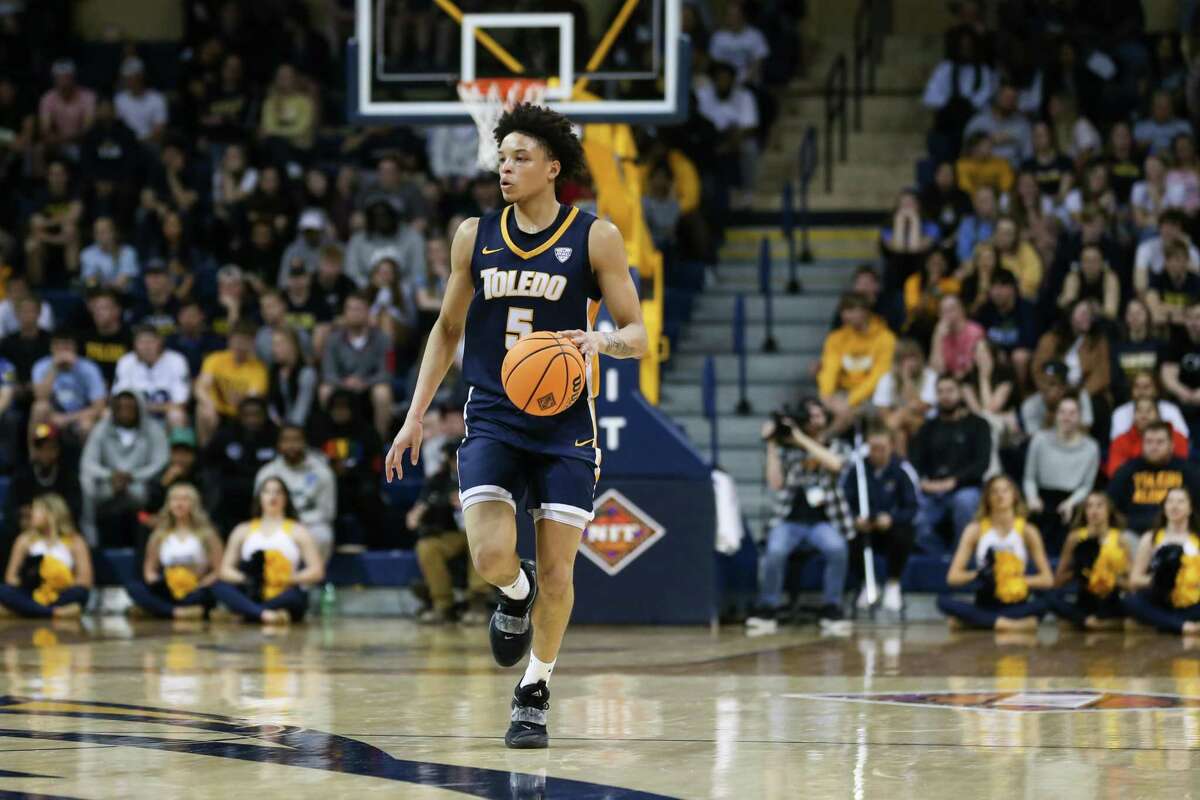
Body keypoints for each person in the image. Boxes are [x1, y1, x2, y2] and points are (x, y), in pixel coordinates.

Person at [383, 104, 648, 749]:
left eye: (521, 157)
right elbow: (447, 330)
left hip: (563, 423)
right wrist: (414, 417)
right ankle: (513, 591)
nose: (506, 167)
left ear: (553, 167)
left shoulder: (596, 237)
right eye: (501, 158)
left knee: (562, 571)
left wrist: (597, 342)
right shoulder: (474, 235)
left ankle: (535, 688)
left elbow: (638, 334)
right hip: (495, 413)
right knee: (490, 554)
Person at [745, 399, 853, 633]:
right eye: (809, 416)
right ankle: (768, 608)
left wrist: (800, 439)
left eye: (818, 415)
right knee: (774, 551)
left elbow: (835, 464)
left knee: (837, 549)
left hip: (824, 520)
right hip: (790, 520)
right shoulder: (788, 449)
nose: (814, 420)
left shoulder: (837, 445)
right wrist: (772, 444)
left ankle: (831, 608)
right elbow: (775, 484)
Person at [936, 476, 1054, 631]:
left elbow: (1047, 579)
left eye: (1005, 490)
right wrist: (979, 575)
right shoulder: (974, 530)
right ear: (987, 498)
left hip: (1017, 602)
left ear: (1014, 495)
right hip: (986, 602)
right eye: (994, 491)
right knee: (942, 601)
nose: (1000, 495)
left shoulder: (1028, 531)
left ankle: (978, 623)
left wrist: (1016, 579)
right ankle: (1007, 624)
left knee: (1049, 601)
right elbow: (952, 577)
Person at [212, 477, 325, 625]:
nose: (273, 496)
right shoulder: (242, 530)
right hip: (253, 590)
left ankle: (249, 613)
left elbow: (317, 571)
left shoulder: (298, 531)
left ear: (286, 498)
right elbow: (225, 570)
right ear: (260, 498)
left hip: (283, 591)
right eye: (267, 492)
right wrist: (247, 579)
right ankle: (264, 614)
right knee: (219, 587)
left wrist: (287, 579)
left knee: (296, 597)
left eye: (278, 492)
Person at [841, 425, 920, 615]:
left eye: (882, 448)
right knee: (849, 535)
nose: (877, 453)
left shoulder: (902, 470)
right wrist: (854, 519)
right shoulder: (857, 470)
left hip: (890, 528)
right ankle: (866, 584)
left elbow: (911, 507)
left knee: (904, 532)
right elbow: (844, 501)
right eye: (873, 448)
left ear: (891, 446)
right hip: (865, 527)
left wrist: (891, 518)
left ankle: (893, 584)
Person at [911, 374, 992, 555]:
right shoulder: (927, 428)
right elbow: (915, 462)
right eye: (940, 392)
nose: (945, 396)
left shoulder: (978, 425)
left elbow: (981, 464)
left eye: (950, 391)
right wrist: (924, 482)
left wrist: (954, 482)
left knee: (965, 502)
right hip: (931, 489)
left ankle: (960, 557)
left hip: (966, 486)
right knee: (916, 516)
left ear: (960, 394)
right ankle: (941, 559)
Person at [411, 441, 491, 624]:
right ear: (447, 459)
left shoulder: (485, 475)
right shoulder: (437, 481)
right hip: (451, 533)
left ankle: (477, 601)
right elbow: (418, 511)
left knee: (478, 542)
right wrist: (438, 504)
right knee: (426, 547)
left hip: (481, 530)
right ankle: (442, 603)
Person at [79, 391, 169, 547]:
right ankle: (91, 545)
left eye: (130, 407)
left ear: (139, 408)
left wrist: (133, 477)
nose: (125, 411)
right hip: (108, 487)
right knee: (86, 484)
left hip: (141, 487)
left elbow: (161, 461)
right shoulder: (102, 428)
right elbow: (88, 463)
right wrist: (110, 475)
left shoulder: (153, 429)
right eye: (120, 407)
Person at [124, 483, 222, 620]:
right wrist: (159, 583)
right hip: (169, 588)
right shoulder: (159, 535)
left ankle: (158, 610)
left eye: (184, 499)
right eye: (174, 499)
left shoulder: (207, 534)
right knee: (134, 587)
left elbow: (219, 570)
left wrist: (201, 584)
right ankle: (175, 612)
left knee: (218, 589)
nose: (179, 504)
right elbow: (149, 570)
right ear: (168, 504)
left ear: (194, 504)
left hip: (196, 588)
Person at [1022, 395, 1100, 555]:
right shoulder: (1039, 440)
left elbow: (1087, 486)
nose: (1067, 417)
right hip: (1042, 497)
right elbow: (1029, 478)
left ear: (1080, 416)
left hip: (1073, 500)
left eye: (1072, 413)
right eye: (1062, 412)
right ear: (1055, 415)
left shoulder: (1091, 447)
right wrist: (1032, 498)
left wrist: (1071, 502)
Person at [1046, 493, 1132, 630]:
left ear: (1108, 510)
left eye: (1099, 505)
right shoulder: (1074, 538)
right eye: (1089, 506)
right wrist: (1079, 571)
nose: (1094, 510)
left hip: (1111, 598)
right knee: (1049, 599)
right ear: (1084, 512)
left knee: (1131, 603)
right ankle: (1091, 622)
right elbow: (1057, 581)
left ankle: (1093, 623)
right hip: (1084, 598)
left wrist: (1110, 576)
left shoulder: (1121, 539)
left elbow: (1131, 585)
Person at [0, 494, 92, 619]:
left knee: (80, 593)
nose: (31, 514)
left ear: (51, 514)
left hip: (61, 594)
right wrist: (30, 581)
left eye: (36, 510)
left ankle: (23, 611)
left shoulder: (75, 541)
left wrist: (59, 582)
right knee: (4, 590)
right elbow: (10, 578)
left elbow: (84, 581)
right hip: (31, 593)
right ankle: (53, 612)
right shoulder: (25, 540)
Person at [1122, 487, 1200, 634]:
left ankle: (1164, 623)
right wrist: (1159, 580)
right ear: (1164, 507)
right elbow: (1134, 579)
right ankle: (1183, 626)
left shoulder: (1198, 538)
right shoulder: (1150, 538)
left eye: (1180, 502)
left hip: (1193, 600)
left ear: (1190, 509)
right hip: (1161, 599)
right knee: (1130, 600)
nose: (1174, 506)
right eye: (1170, 501)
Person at [817, 292, 895, 436]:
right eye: (844, 311)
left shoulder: (885, 338)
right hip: (841, 393)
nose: (846, 315)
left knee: (849, 414)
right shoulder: (836, 338)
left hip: (872, 395)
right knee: (817, 413)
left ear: (865, 311)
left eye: (851, 310)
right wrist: (827, 395)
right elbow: (829, 368)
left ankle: (822, 441)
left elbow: (879, 375)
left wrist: (851, 400)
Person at [314, 389, 384, 550]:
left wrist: (351, 472)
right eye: (336, 407)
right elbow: (313, 461)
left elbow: (375, 465)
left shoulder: (368, 432)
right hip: (329, 484)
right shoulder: (319, 430)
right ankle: (331, 545)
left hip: (358, 483)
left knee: (371, 496)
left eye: (344, 407)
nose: (340, 412)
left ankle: (374, 546)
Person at [254, 425, 336, 560]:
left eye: (296, 440)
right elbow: (259, 508)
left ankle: (312, 579)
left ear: (305, 443)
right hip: (276, 523)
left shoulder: (322, 472)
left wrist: (298, 525)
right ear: (278, 445)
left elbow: (326, 512)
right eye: (286, 440)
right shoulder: (267, 472)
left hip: (310, 524)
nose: (291, 445)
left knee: (323, 535)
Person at [320, 292, 394, 438]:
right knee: (325, 390)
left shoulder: (383, 339)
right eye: (350, 309)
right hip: (342, 386)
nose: (354, 313)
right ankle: (328, 437)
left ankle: (380, 441)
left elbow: (387, 371)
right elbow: (328, 371)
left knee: (383, 393)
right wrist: (344, 382)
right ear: (344, 313)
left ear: (367, 312)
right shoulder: (333, 339)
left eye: (359, 309)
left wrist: (364, 383)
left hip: (369, 387)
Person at [1109, 421, 1200, 534]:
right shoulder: (1127, 470)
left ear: (1171, 445)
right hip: (1134, 533)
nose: (1154, 447)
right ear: (1142, 445)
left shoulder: (1188, 470)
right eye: (1149, 442)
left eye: (1160, 442)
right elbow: (1110, 503)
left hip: (1180, 531)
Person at [203, 397, 278, 534]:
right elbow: (207, 462)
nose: (252, 420)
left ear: (265, 416)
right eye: (247, 415)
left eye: (257, 415)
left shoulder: (275, 436)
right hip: (230, 496)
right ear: (239, 416)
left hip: (264, 493)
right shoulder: (226, 435)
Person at [195, 319, 268, 446]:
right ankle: (204, 453)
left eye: (245, 341)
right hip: (217, 412)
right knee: (203, 410)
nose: (240, 346)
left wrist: (238, 402)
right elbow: (201, 386)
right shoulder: (215, 359)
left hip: (241, 415)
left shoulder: (259, 368)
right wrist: (209, 404)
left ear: (252, 343)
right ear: (230, 340)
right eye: (237, 340)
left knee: (252, 413)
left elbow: (252, 398)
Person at [29, 329, 107, 444]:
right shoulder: (42, 366)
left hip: (80, 417)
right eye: (58, 347)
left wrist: (67, 419)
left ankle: (86, 461)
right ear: (51, 348)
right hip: (51, 420)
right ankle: (36, 458)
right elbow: (40, 397)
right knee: (39, 408)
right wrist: (54, 369)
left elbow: (99, 406)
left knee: (89, 424)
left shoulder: (89, 368)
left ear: (75, 348)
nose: (63, 352)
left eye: (67, 346)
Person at [6, 424, 81, 537]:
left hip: (61, 531)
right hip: (27, 530)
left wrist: (49, 516)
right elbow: (10, 509)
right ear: (35, 450)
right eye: (41, 448)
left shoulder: (67, 475)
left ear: (58, 449)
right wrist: (23, 514)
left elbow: (75, 508)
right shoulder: (23, 475)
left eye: (50, 447)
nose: (45, 453)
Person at [112, 325, 191, 430]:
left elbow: (181, 403)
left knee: (177, 415)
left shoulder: (176, 360)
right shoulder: (126, 362)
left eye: (150, 341)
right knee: (108, 414)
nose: (146, 346)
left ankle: (176, 447)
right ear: (134, 344)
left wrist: (147, 407)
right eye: (141, 342)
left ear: (160, 342)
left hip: (165, 417)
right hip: (134, 417)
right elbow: (119, 399)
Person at [1107, 397, 1190, 477]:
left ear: (1158, 414)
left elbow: (1183, 469)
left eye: (1149, 410)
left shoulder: (1177, 438)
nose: (1144, 415)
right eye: (1139, 411)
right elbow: (1114, 473)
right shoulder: (1120, 441)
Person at [266, 326, 317, 429]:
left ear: (292, 345)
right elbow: (270, 404)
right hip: (278, 427)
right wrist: (275, 421)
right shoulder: (274, 371)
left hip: (303, 429)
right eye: (273, 345)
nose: (274, 349)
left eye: (278, 345)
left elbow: (302, 410)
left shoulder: (306, 373)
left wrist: (289, 429)